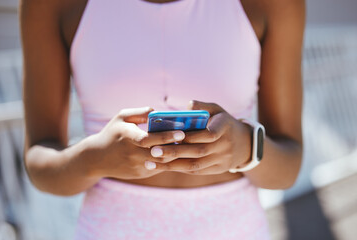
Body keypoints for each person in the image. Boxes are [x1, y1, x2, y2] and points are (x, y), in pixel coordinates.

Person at [20, 0, 305, 239]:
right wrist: (93, 159)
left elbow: (289, 165)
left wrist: (246, 148)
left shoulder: (277, 4)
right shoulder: (48, 5)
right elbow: (38, 160)